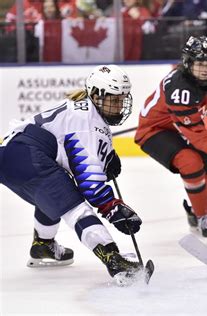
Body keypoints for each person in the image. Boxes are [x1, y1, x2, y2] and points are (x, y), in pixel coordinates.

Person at [0, 65, 143, 285]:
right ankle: (114, 260)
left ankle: (43, 245)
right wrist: (112, 207)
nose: (119, 106)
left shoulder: (84, 110)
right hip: (27, 156)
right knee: (76, 208)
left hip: (14, 153)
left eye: (122, 99)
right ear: (96, 95)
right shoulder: (87, 120)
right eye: (113, 100)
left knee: (56, 192)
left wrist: (107, 156)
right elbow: (90, 183)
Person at [135, 35, 207, 238]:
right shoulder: (179, 89)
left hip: (180, 126)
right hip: (155, 131)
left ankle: (198, 212)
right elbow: (197, 133)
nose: (205, 67)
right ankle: (202, 217)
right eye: (199, 63)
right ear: (188, 63)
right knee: (190, 162)